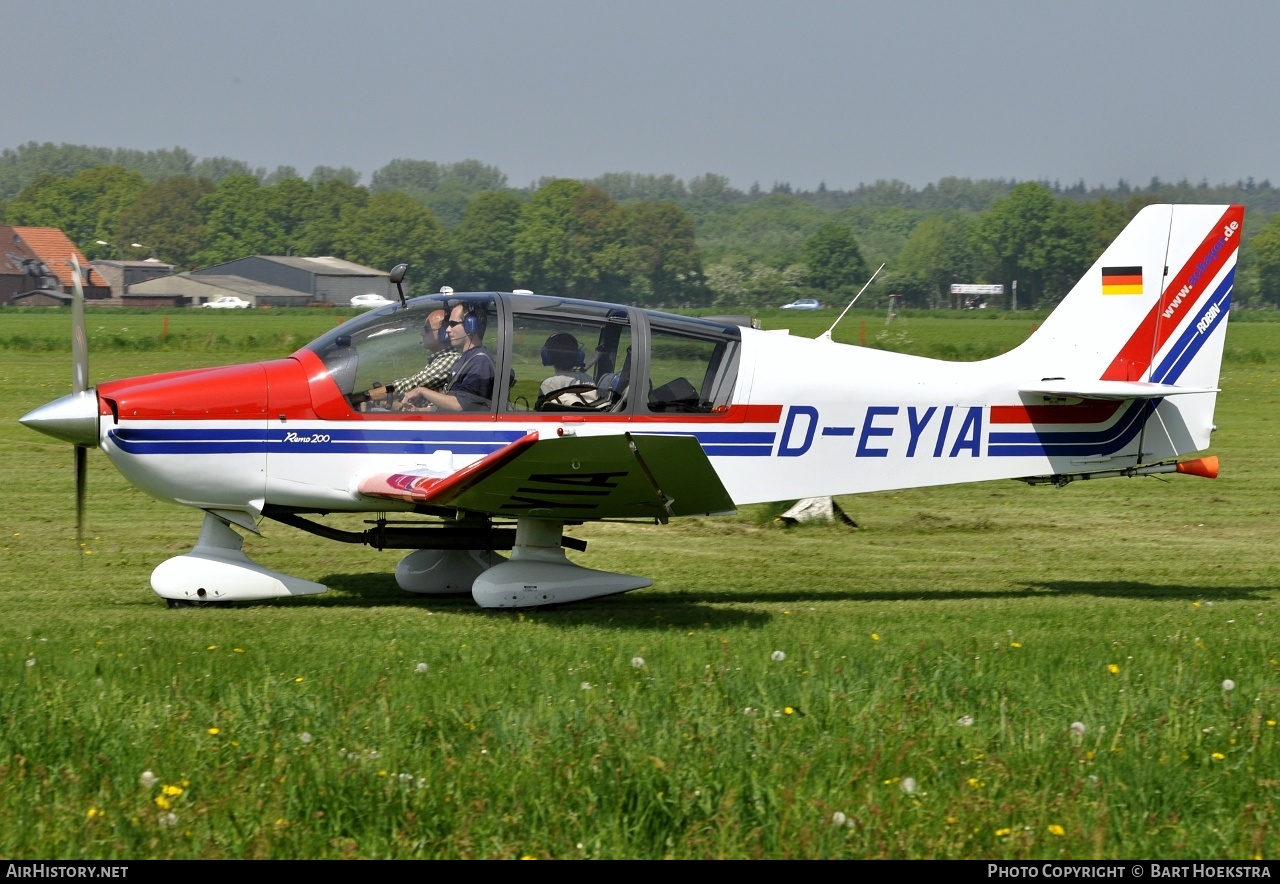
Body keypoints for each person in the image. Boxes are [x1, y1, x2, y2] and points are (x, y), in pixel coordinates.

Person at [400, 302, 495, 412]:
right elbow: (447, 405)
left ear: (471, 326)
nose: (448, 329)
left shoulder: (479, 361)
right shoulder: (466, 360)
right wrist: (418, 410)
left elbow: (458, 405)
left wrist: (421, 391)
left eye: (453, 324)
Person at [366, 308, 458, 409]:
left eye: (427, 329)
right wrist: (380, 400)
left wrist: (365, 396)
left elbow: (411, 384)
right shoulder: (438, 360)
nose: (422, 333)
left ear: (444, 334)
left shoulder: (449, 360)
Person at [537, 332, 597, 408]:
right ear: (578, 356)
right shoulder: (587, 379)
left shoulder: (548, 384)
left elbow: (540, 410)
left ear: (548, 357)